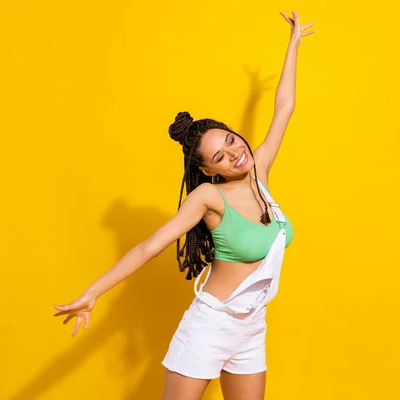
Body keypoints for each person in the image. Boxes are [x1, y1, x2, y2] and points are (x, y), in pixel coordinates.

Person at [53, 10, 315, 400]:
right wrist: (93, 292)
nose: (234, 153)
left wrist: (292, 46)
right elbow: (150, 246)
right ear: (208, 170)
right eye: (220, 157)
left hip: (252, 328)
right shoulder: (209, 198)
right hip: (210, 326)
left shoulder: (261, 175)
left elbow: (285, 108)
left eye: (230, 140)